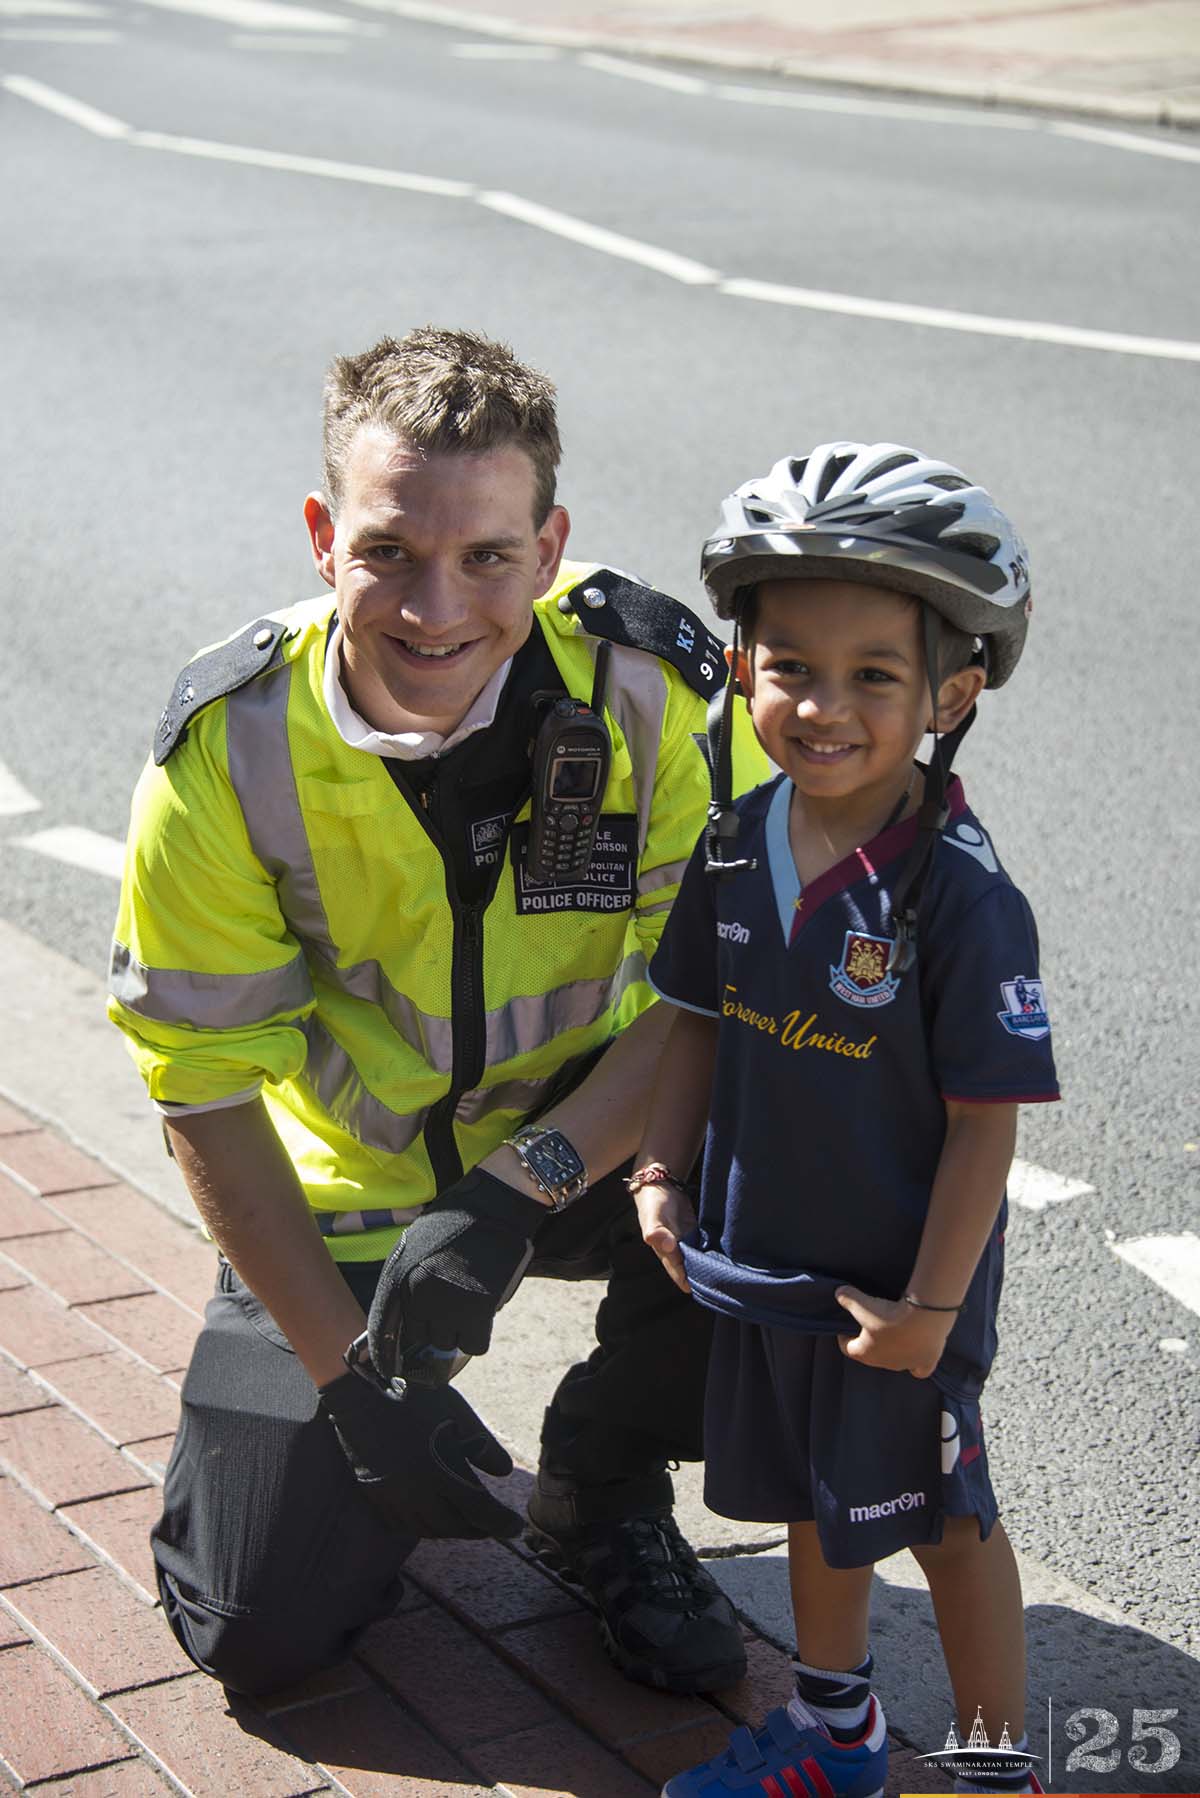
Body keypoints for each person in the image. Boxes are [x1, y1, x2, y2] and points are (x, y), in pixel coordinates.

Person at [108, 326, 766, 1697]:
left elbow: (724, 980)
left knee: (814, 1121)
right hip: (351, 1194)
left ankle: (604, 1486)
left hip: (587, 1148)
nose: (434, 606)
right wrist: (348, 1381)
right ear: (319, 533)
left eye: (488, 557)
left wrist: (525, 1184)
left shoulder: (655, 690)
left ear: (551, 540)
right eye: (389, 549)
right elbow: (204, 1089)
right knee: (260, 1635)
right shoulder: (226, 745)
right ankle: (347, 1428)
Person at [630, 442, 1059, 1798]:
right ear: (745, 662)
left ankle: (998, 1770)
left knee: (944, 1521)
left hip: (898, 1292)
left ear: (954, 689)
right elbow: (695, 1017)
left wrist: (933, 1307)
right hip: (770, 1263)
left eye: (872, 673)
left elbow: (988, 1125)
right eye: (789, 664)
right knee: (821, 1505)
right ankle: (837, 1734)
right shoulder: (731, 840)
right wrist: (659, 1162)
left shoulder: (961, 896)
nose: (822, 703)